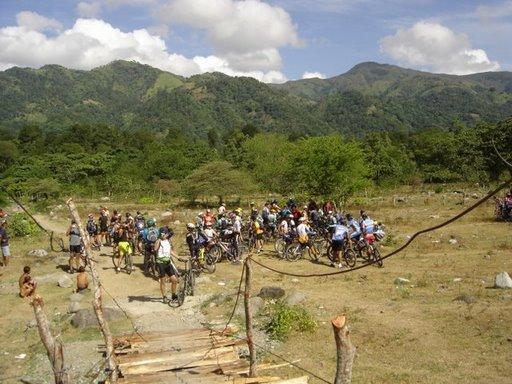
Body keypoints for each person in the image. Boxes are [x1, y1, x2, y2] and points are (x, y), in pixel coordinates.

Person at [153, 232, 179, 303]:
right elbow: (155, 249)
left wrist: (178, 257)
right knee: (163, 281)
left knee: (174, 280)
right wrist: (158, 241)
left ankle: (173, 295)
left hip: (168, 262)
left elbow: (170, 251)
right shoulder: (159, 241)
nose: (163, 235)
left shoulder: (168, 241)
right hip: (160, 263)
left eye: (164, 234)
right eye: (162, 234)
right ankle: (164, 296)